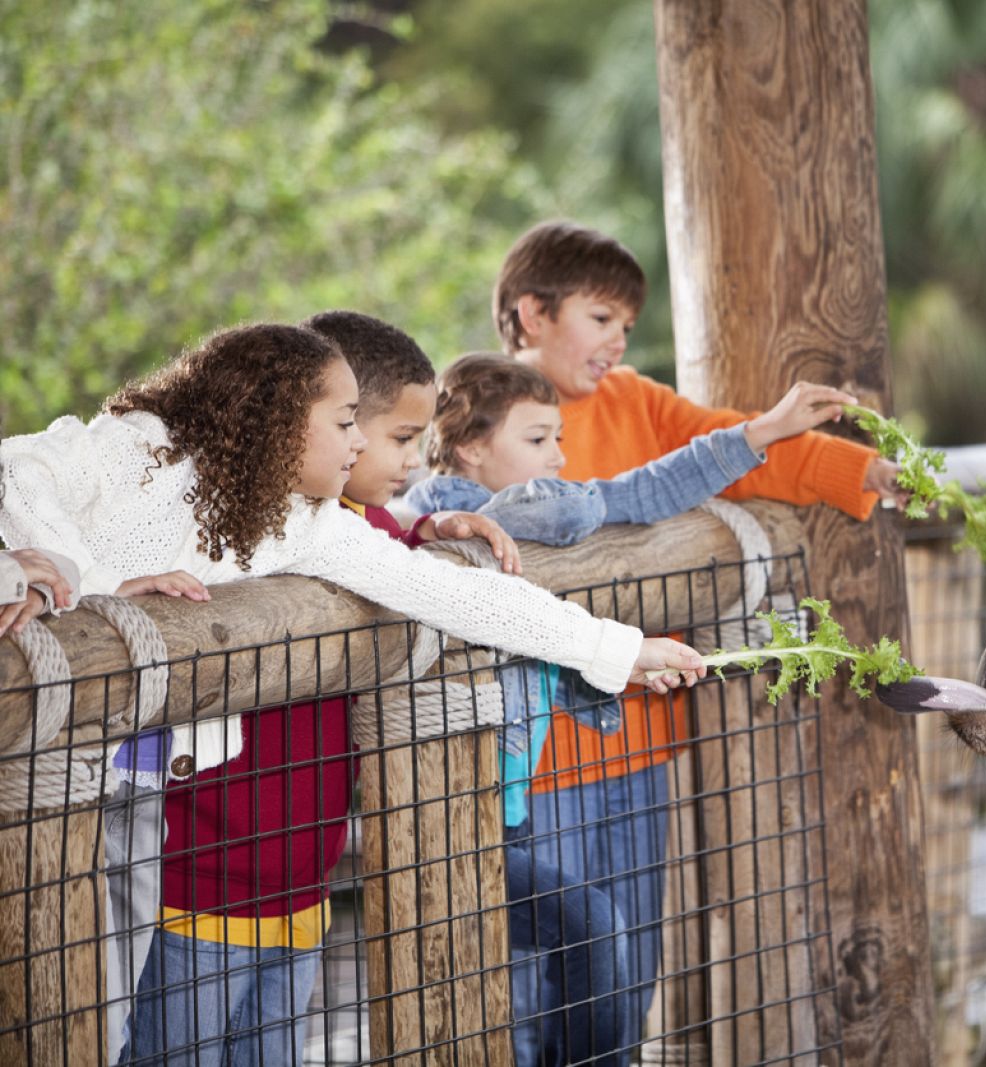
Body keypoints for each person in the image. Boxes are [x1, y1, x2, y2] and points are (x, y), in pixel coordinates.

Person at [0, 321, 703, 1065]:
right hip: (67, 800)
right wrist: (77, 579)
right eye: (343, 423)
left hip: (147, 811)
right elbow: (14, 471)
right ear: (277, 415)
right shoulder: (137, 444)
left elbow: (451, 593)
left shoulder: (306, 523)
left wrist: (618, 648)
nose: (357, 446)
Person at [490, 220, 904, 1051]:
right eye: (600, 318)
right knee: (537, 977)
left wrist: (864, 471)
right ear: (532, 313)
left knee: (629, 966)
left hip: (642, 746)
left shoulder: (638, 402)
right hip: (536, 761)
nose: (616, 342)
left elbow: (741, 450)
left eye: (625, 327)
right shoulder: (481, 410)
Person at [404, 353, 856, 1064]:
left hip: (494, 804)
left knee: (532, 970)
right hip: (482, 810)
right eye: (537, 439)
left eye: (558, 437)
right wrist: (762, 430)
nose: (559, 455)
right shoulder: (526, 509)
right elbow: (640, 492)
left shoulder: (424, 518)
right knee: (578, 947)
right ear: (469, 447)